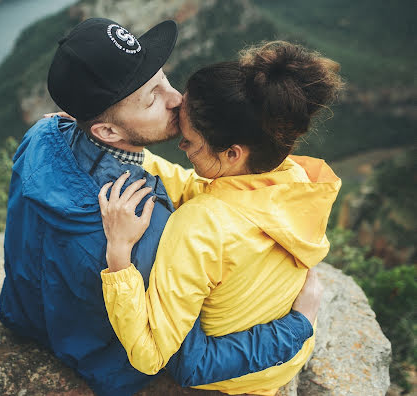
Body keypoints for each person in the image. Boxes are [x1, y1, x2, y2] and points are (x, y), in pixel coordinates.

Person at [0, 18, 320, 396]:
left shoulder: (41, 134)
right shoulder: (147, 227)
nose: (176, 99)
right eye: (152, 98)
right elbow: (184, 358)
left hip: (26, 316)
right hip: (107, 365)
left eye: (165, 79)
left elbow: (156, 172)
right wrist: (299, 323)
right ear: (109, 132)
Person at [99, 40, 343, 395]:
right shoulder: (297, 178)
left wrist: (119, 259)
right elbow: (201, 189)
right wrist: (122, 147)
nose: (181, 149)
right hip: (285, 358)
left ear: (232, 154)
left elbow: (149, 355)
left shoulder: (198, 227)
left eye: (190, 143)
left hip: (234, 375)